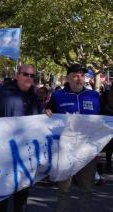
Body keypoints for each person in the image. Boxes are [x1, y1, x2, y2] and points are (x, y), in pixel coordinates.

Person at [0, 64, 41, 212]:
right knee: (2, 196)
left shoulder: (34, 96)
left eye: (32, 76)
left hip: (25, 155)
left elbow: (41, 118)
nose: (29, 78)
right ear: (17, 75)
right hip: (3, 153)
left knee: (21, 197)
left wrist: (48, 113)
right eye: (25, 74)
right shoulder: (1, 92)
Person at [45, 64, 100, 212]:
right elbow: (47, 117)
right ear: (68, 78)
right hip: (65, 150)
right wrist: (47, 112)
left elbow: (104, 121)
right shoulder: (57, 96)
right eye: (75, 75)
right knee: (64, 190)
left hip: (88, 151)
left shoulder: (94, 96)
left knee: (87, 190)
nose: (79, 78)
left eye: (82, 75)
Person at [101, 82, 113, 173]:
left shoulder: (106, 94)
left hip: (107, 122)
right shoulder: (106, 94)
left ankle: (108, 165)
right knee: (109, 146)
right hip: (108, 121)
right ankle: (108, 165)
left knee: (109, 146)